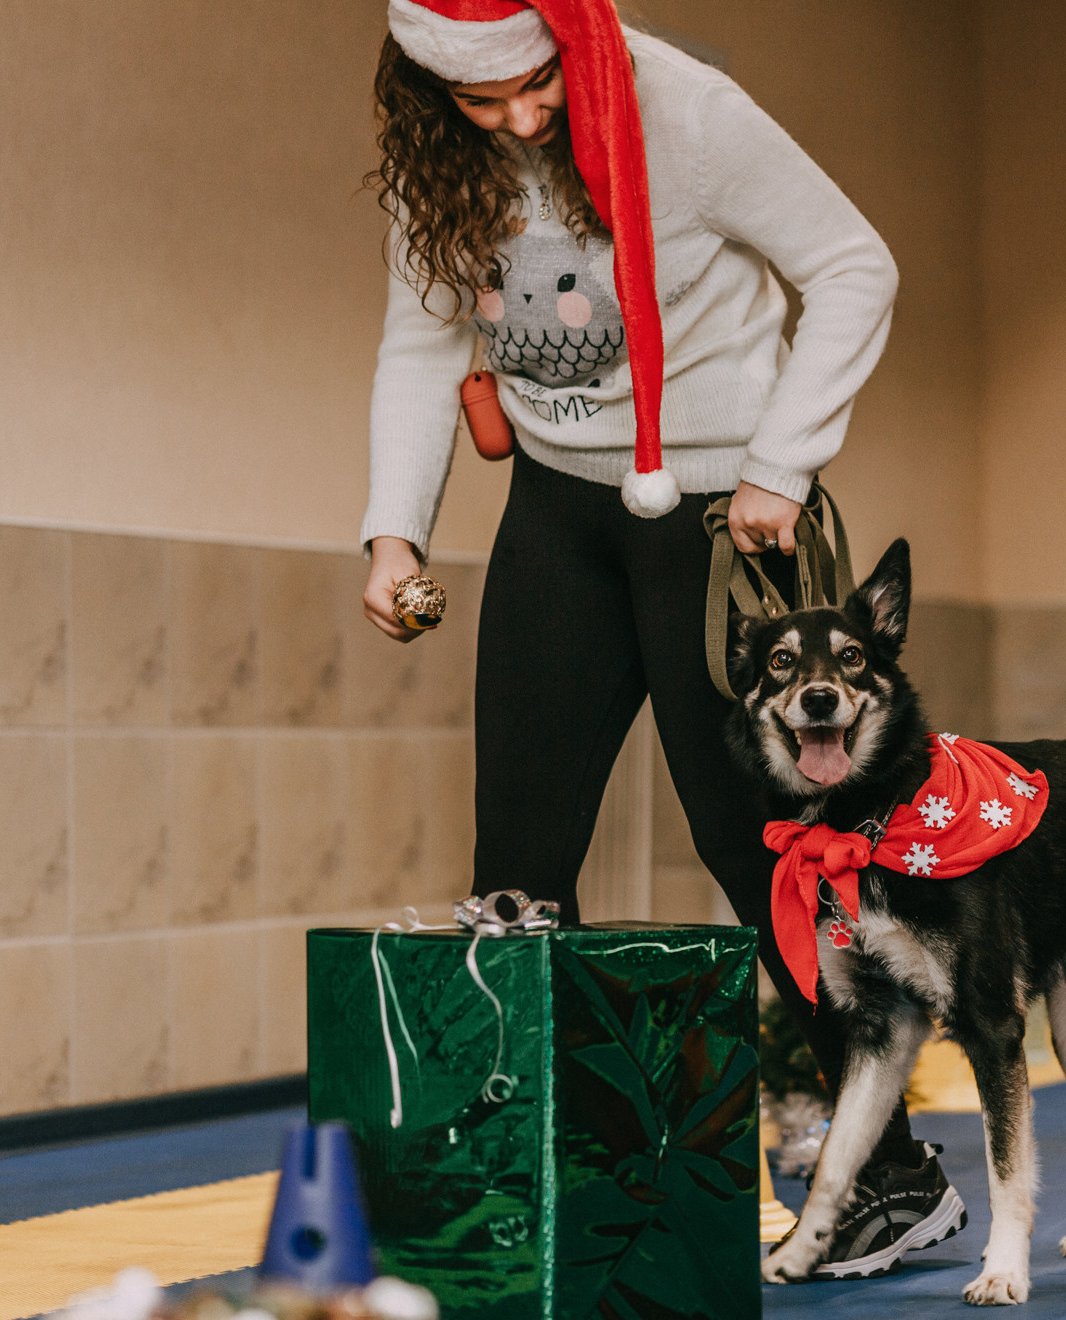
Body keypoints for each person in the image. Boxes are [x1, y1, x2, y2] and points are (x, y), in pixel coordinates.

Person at [356, 0, 960, 1278]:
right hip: (556, 514)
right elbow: (421, 342)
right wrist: (393, 534)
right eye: (484, 100)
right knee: (515, 865)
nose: (521, 119)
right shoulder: (441, 165)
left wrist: (783, 467)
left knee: (763, 856)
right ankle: (533, 1187)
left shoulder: (688, 113)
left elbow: (857, 266)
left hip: (722, 521)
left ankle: (889, 1178)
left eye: (537, 88)